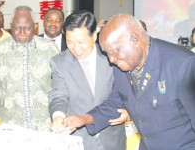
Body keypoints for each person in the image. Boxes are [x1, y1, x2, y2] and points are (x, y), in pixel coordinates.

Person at [63, 13, 195, 150]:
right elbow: (116, 103)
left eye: (114, 52)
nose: (111, 59)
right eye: (107, 53)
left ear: (135, 40)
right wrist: (84, 119)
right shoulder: (122, 66)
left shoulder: (183, 65)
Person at [49, 10, 127, 150]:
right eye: (70, 42)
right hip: (79, 138)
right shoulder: (59, 63)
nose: (76, 48)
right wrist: (58, 116)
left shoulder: (111, 56)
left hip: (112, 137)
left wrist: (128, 110)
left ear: (95, 35)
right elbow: (58, 94)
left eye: (81, 42)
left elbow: (126, 89)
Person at [0, 6, 59, 131]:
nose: (22, 33)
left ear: (34, 26)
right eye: (17, 28)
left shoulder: (50, 48)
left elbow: (59, 86)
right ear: (10, 25)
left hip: (44, 126)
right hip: (10, 126)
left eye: (27, 29)